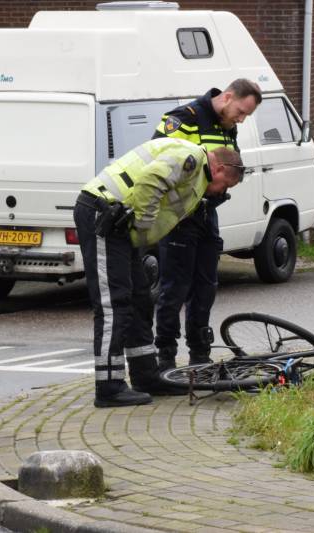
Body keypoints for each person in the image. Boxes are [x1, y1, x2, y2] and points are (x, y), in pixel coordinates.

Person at [74, 137, 245, 408]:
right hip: (104, 214)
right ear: (221, 169)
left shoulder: (197, 176)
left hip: (120, 223)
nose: (220, 192)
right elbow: (151, 180)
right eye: (225, 185)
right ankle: (108, 386)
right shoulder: (190, 159)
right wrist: (142, 229)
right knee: (113, 305)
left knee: (140, 299)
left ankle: (145, 376)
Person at [152, 79, 262, 372]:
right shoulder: (184, 119)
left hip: (207, 214)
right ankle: (165, 354)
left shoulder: (228, 126)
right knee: (175, 287)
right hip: (179, 216)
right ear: (227, 97)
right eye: (240, 111)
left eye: (246, 116)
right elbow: (157, 162)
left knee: (206, 286)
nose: (241, 119)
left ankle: (199, 353)